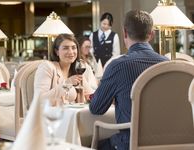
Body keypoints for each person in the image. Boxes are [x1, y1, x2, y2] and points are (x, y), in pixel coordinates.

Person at [89, 10, 169, 150]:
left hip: (130, 143)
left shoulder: (117, 66)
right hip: (169, 142)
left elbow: (96, 108)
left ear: (125, 33)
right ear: (152, 34)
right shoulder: (167, 64)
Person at [34, 34, 96, 105]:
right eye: (65, 48)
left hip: (70, 114)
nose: (71, 52)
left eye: (73, 48)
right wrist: (67, 83)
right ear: (56, 51)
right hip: (51, 115)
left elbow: (90, 95)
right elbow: (40, 100)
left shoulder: (76, 71)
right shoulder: (47, 67)